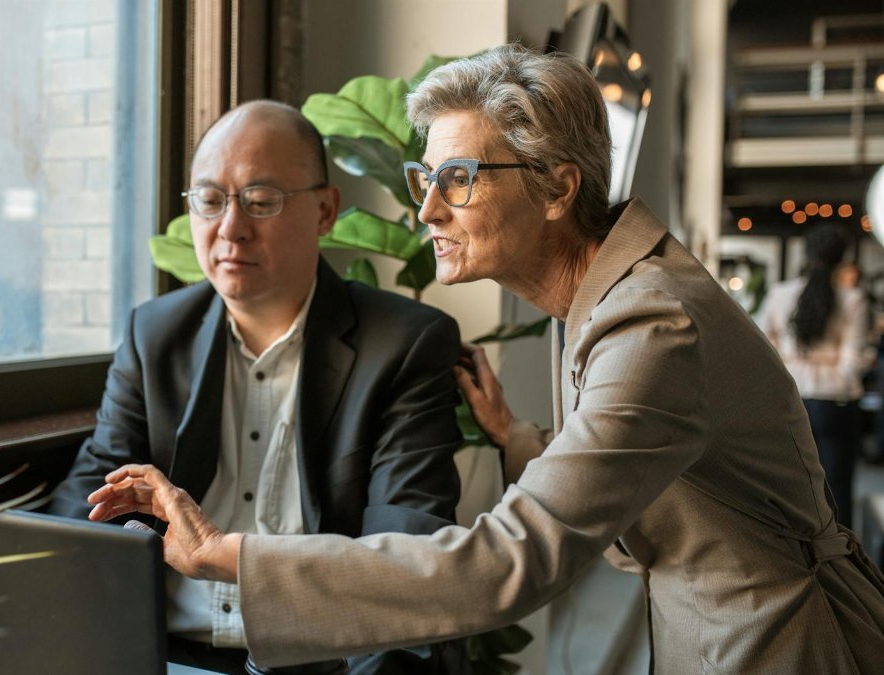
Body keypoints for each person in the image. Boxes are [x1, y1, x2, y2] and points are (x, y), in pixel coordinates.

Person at [87, 45, 884, 674]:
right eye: (425, 179)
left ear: (557, 188)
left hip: (786, 645)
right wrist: (520, 439)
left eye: (459, 179)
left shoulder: (652, 323)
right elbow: (646, 456)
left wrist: (228, 555)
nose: (428, 208)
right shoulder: (606, 293)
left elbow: (507, 562)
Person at [49, 100, 468, 674]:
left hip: (326, 663)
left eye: (261, 200)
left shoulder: (403, 344)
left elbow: (407, 557)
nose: (230, 228)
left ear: (325, 211)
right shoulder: (155, 335)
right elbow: (88, 503)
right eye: (209, 200)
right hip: (164, 654)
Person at [759, 224, 872, 527]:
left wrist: (795, 367)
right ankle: (840, 555)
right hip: (835, 403)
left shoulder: (779, 294)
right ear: (843, 258)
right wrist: (826, 367)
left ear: (806, 254)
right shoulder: (853, 300)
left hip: (788, 399)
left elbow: (766, 351)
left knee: (787, 487)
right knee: (836, 489)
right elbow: (852, 362)